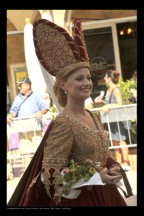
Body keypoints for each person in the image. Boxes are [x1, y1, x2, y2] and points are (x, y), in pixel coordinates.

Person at [8, 19, 132, 207]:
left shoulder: (94, 116)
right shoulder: (63, 124)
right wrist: (95, 177)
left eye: (89, 77)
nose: (87, 82)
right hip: (83, 200)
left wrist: (112, 166)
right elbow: (50, 177)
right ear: (63, 85)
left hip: (108, 195)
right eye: (79, 78)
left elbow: (101, 156)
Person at [7, 77, 49, 171]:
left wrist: (40, 113)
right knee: (25, 153)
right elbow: (13, 112)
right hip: (22, 131)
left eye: (20, 85)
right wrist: (10, 116)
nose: (19, 87)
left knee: (38, 151)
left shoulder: (37, 96)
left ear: (27, 86)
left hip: (35, 130)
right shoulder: (18, 98)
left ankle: (40, 171)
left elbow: (45, 108)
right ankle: (28, 173)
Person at [95, 70, 130, 170]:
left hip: (118, 119)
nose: (104, 79)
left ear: (110, 78)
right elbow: (108, 104)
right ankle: (118, 163)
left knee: (121, 140)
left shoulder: (116, 89)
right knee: (115, 141)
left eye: (106, 77)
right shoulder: (109, 89)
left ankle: (126, 162)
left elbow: (119, 104)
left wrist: (109, 105)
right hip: (112, 120)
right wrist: (101, 102)